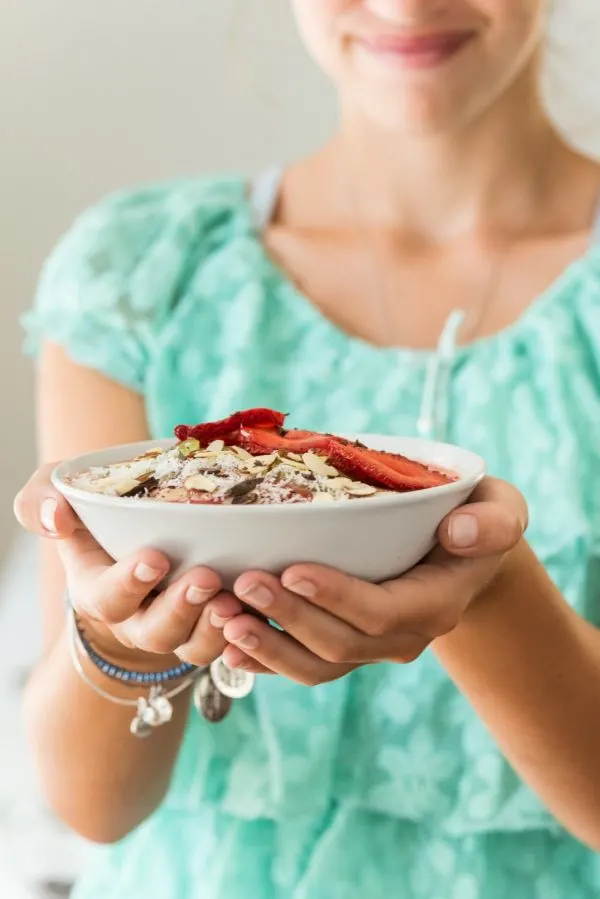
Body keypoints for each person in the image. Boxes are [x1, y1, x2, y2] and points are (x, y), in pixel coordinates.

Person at [13, 1, 600, 896]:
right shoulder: (140, 272)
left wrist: (490, 591)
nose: (405, 4)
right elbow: (93, 805)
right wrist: (119, 634)